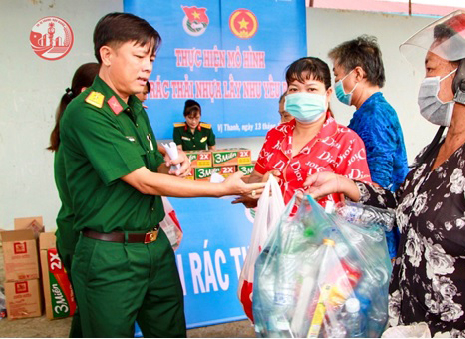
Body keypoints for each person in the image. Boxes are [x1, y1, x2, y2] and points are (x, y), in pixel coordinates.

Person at [304, 11, 465, 337]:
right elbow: (410, 204)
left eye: (430, 69)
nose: (423, 82)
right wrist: (348, 185)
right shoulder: (441, 145)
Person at [57, 12, 264, 337]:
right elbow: (140, 179)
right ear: (107, 55)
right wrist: (220, 188)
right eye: (139, 56)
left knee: (170, 330)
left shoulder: (135, 109)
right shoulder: (88, 112)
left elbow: (153, 166)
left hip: (155, 244)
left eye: (151, 58)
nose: (147, 67)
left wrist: (173, 164)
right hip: (111, 254)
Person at [234, 57, 371, 208]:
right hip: (275, 229)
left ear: (328, 93)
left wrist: (339, 185)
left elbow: (364, 198)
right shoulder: (275, 135)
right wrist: (261, 185)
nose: (301, 95)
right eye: (294, 89)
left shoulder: (347, 140)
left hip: (324, 230)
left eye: (311, 89)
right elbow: (255, 180)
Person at [329, 35, 409, 258]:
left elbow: (378, 183)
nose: (336, 84)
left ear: (357, 73)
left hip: (378, 232)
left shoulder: (375, 115)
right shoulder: (367, 113)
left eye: (337, 75)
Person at [48, 62, 100, 338]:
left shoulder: (73, 131)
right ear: (85, 92)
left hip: (75, 230)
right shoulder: (79, 135)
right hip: (80, 234)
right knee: (91, 311)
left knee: (90, 309)